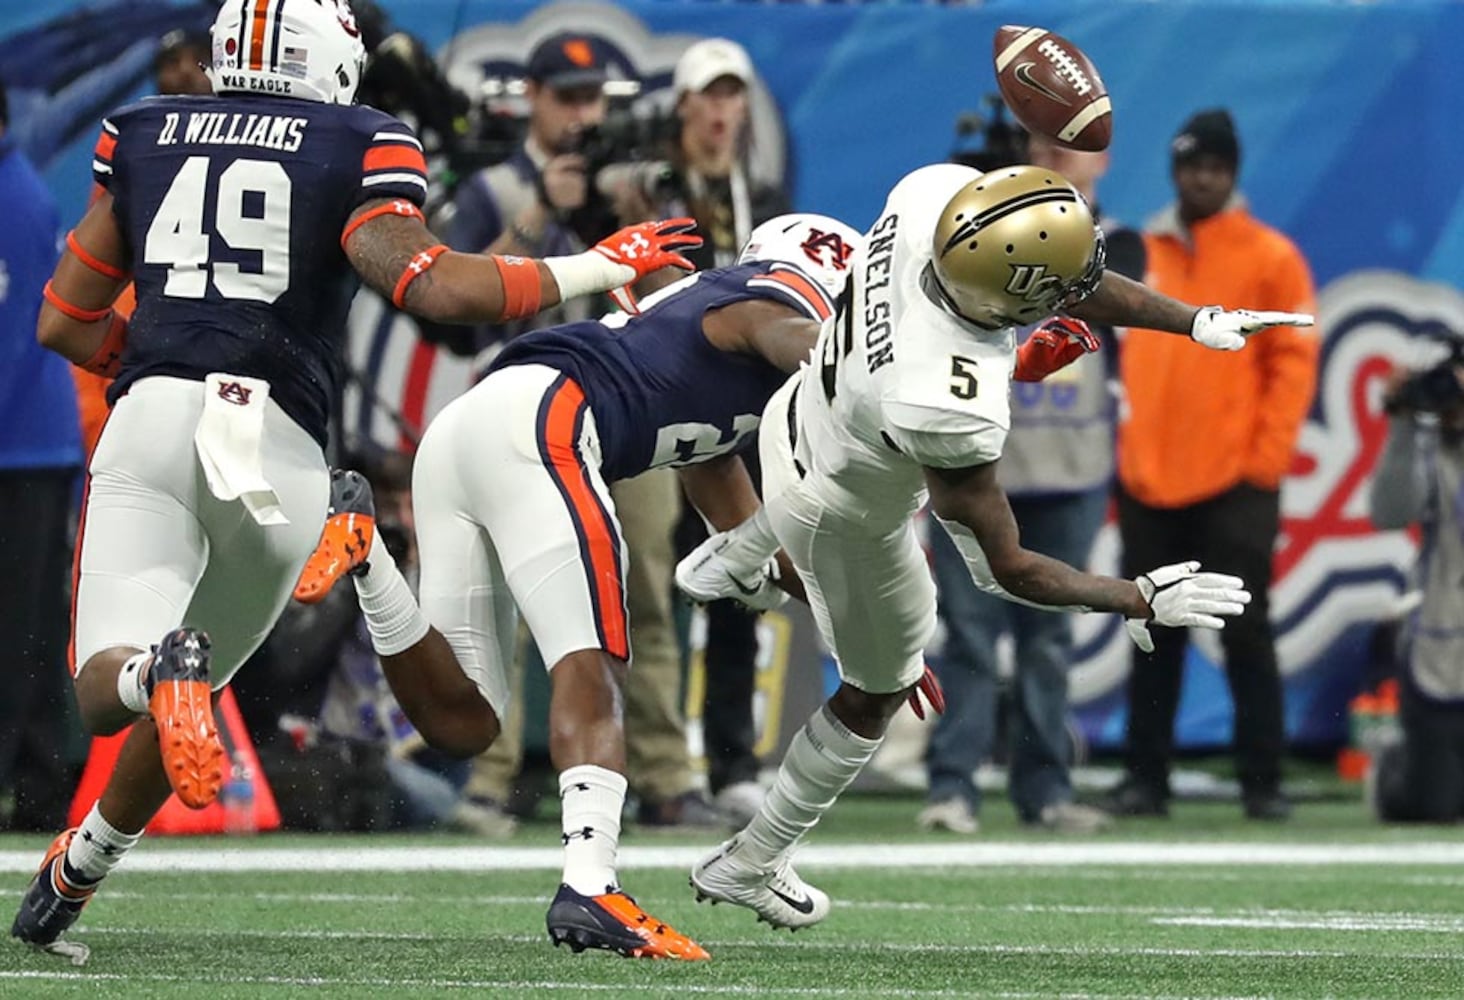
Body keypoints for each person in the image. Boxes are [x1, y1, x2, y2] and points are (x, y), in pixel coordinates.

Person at [10, 0, 700, 964]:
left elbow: (62, 322)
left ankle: (141, 693)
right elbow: (432, 285)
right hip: (279, 453)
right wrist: (597, 263)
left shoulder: (144, 135)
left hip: (156, 416)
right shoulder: (360, 139)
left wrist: (164, 351)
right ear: (329, 57)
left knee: (111, 687)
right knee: (206, 673)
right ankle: (70, 879)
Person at [674, 161, 1311, 931]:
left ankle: (744, 548)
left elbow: (1051, 277)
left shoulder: (927, 199)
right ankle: (750, 861)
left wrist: (1192, 319)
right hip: (842, 514)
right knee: (878, 689)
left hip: (797, 421)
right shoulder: (945, 401)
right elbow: (1004, 569)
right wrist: (1134, 597)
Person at [300, 212, 865, 961]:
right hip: (548, 421)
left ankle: (366, 555)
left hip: (470, 427)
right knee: (592, 657)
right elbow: (793, 341)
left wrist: (862, 630)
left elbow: (745, 524)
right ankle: (591, 886)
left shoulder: (722, 342)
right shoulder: (767, 306)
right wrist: (879, 371)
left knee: (464, 723)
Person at [918, 132, 1142, 836]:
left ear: (1102, 156)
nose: (1060, 155)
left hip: (1071, 461)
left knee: (1048, 643)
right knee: (970, 637)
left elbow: (1119, 301)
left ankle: (1045, 788)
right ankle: (953, 785)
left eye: (1073, 144)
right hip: (983, 460)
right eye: (1047, 141)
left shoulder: (1119, 244)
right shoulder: (978, 223)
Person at [1106, 109, 1319, 822]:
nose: (1203, 178)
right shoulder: (1138, 247)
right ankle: (1146, 779)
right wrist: (1129, 453)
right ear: (1176, 170)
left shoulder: (1271, 257)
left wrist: (1263, 463)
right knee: (1151, 628)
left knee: (1247, 630)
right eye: (1193, 165)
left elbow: (1293, 366)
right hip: (1149, 477)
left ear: (1233, 173)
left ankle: (1264, 779)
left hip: (1235, 481)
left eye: (1216, 167)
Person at [0, 79, 84, 833]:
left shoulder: (15, 200)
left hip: (24, 444)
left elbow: (11, 348)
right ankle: (35, 776)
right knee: (22, 621)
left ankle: (36, 780)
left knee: (21, 625)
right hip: (24, 438)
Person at [1366, 357, 1464, 822]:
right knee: (1435, 810)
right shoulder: (1430, 449)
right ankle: (1393, 773)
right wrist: (1403, 424)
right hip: (1442, 651)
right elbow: (1388, 512)